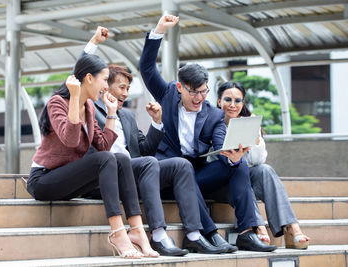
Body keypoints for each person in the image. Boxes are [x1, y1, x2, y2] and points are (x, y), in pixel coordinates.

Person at [80, 27, 226, 256]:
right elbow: (78, 74)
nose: (125, 93)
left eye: (128, 88)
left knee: (181, 164)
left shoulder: (127, 116)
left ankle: (194, 235)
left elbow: (146, 150)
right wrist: (94, 42)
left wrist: (157, 123)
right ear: (103, 85)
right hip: (104, 176)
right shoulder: (88, 107)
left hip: (133, 173)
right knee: (148, 163)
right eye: (121, 87)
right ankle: (158, 235)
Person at [139, 15, 277, 252]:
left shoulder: (213, 115)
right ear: (180, 87)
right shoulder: (168, 94)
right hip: (167, 172)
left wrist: (232, 158)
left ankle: (246, 232)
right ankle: (210, 233)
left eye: (203, 92)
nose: (199, 98)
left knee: (239, 165)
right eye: (193, 92)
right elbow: (147, 68)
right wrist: (159, 30)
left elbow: (221, 145)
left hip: (196, 174)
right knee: (184, 167)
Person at [26, 53, 156, 259]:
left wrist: (112, 112)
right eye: (104, 79)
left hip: (69, 180)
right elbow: (70, 140)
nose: (106, 86)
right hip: (44, 180)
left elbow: (104, 147)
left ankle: (137, 231)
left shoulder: (89, 108)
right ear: (88, 78)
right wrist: (75, 96)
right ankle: (117, 233)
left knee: (120, 158)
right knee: (106, 159)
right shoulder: (57, 103)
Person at [216, 81, 310, 249]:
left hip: (246, 175)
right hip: (222, 181)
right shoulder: (212, 122)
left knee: (265, 170)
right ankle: (258, 226)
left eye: (238, 101)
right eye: (227, 100)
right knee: (241, 175)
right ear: (218, 101)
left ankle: (291, 226)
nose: (232, 105)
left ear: (243, 103)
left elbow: (258, 161)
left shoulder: (247, 122)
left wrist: (255, 135)